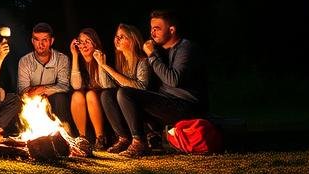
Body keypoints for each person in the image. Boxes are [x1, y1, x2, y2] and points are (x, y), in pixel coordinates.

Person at [108, 9, 208, 158]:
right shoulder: (159, 50)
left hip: (186, 105)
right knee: (111, 94)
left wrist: (152, 55)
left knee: (126, 93)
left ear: (172, 30)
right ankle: (132, 137)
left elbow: (173, 80)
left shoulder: (185, 48)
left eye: (157, 29)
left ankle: (138, 142)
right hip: (165, 102)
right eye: (151, 28)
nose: (153, 33)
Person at [93, 23, 152, 154]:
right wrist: (101, 65)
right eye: (116, 36)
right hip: (127, 108)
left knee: (122, 92)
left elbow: (141, 87)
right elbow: (107, 86)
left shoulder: (142, 61)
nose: (117, 39)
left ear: (132, 40)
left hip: (145, 108)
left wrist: (106, 67)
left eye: (122, 37)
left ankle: (139, 141)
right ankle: (123, 138)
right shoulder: (121, 62)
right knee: (106, 95)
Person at [16, 22, 72, 130]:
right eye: (36, 40)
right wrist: (35, 93)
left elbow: (64, 86)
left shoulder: (62, 59)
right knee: (17, 101)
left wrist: (44, 89)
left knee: (60, 98)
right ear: (32, 41)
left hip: (53, 98)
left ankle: (65, 132)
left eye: (44, 40)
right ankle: (27, 134)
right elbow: (23, 89)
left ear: (51, 41)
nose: (40, 44)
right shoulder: (25, 61)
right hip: (32, 99)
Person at [67, 27, 108, 150]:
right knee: (77, 95)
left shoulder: (102, 57)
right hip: (85, 103)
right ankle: (82, 138)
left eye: (87, 41)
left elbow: (105, 84)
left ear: (95, 43)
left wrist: (100, 64)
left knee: (90, 94)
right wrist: (74, 55)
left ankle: (101, 138)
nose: (83, 45)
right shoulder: (78, 61)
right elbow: (76, 85)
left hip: (102, 99)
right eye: (81, 42)